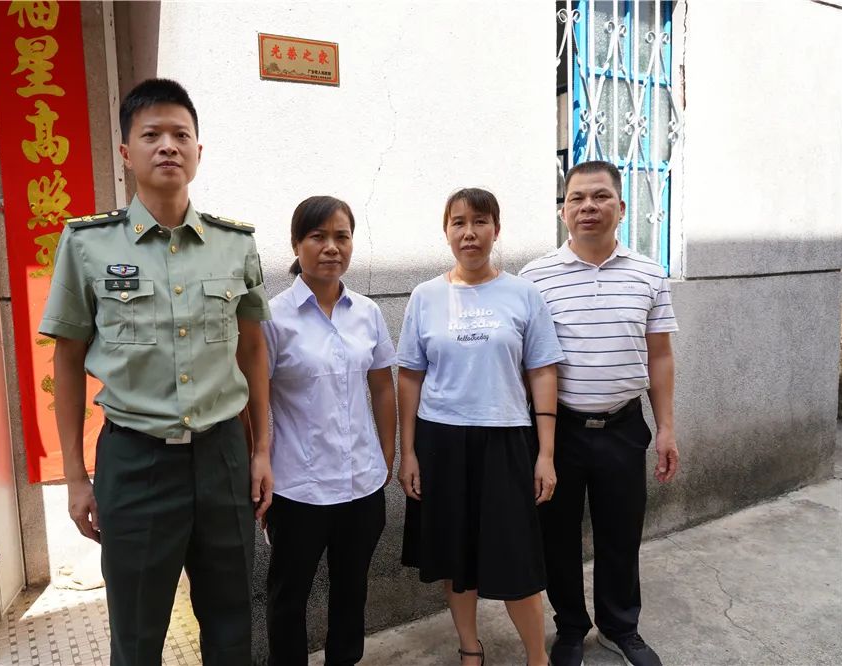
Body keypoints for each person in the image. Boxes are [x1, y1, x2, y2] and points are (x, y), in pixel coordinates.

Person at [38, 78, 273, 666]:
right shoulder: (88, 245)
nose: (168, 145)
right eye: (152, 135)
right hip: (135, 461)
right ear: (126, 152)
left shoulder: (235, 245)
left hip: (223, 457)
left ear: (198, 151)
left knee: (231, 625)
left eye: (180, 135)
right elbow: (67, 359)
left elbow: (253, 350)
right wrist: (75, 477)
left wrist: (262, 449)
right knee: (138, 635)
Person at [520, 160, 679, 666]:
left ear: (622, 207)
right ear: (563, 210)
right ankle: (570, 627)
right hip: (558, 430)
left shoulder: (649, 274)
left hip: (623, 427)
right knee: (557, 536)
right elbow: (526, 361)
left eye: (600, 196)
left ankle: (619, 626)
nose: (588, 206)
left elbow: (660, 354)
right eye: (577, 198)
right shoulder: (535, 278)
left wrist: (667, 428)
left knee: (621, 534)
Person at [397, 188, 565, 666]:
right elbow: (409, 376)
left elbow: (542, 371)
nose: (469, 233)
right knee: (456, 559)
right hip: (441, 441)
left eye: (480, 221)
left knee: (516, 559)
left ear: (496, 229)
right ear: (446, 231)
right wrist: (408, 453)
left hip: (505, 437)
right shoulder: (425, 296)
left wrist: (545, 453)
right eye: (459, 222)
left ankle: (537, 657)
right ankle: (470, 649)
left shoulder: (523, 294)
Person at [262, 196, 397, 666]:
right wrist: (257, 466)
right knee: (288, 594)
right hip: (297, 487)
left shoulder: (367, 312)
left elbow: (382, 385)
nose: (331, 247)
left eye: (342, 236)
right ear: (296, 244)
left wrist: (386, 455)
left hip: (361, 484)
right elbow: (253, 401)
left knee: (351, 590)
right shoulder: (272, 317)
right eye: (317, 236)